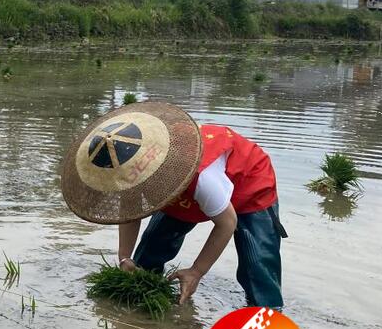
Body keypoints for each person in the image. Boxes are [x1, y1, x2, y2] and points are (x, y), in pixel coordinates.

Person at [60, 101, 285, 309]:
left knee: (257, 268)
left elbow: (227, 224)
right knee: (149, 253)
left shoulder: (204, 179)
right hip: (182, 190)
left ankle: (269, 314)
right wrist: (124, 257)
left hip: (248, 183)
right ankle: (147, 295)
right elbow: (130, 212)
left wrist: (196, 271)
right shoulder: (133, 170)